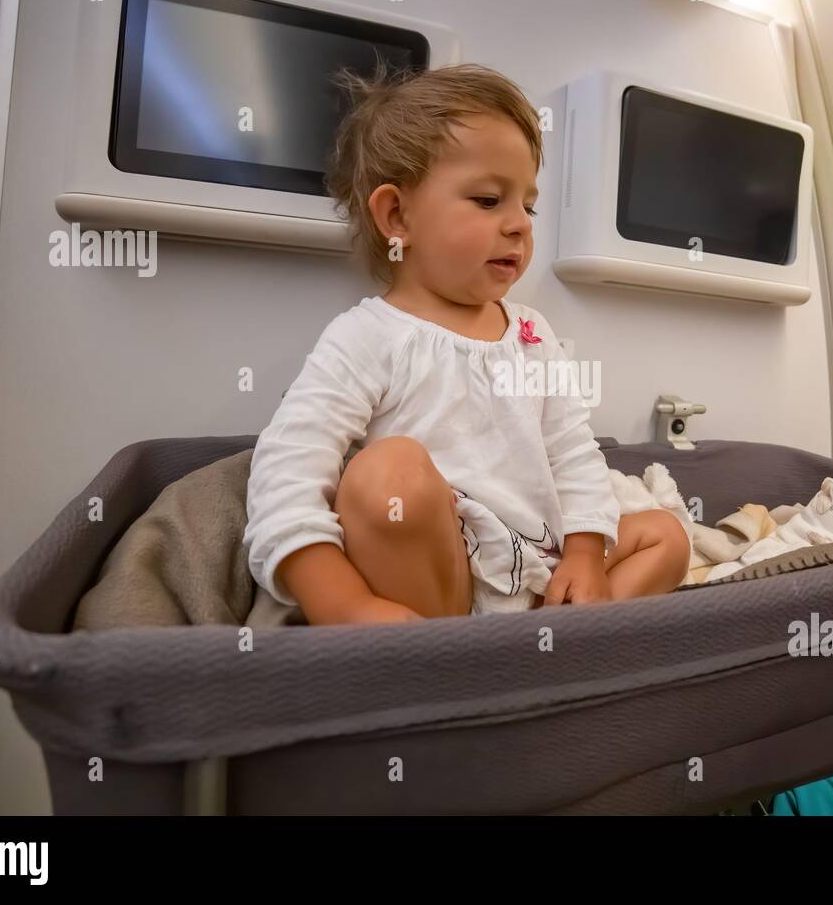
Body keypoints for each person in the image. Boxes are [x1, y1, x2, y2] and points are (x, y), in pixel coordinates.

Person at [242, 63, 689, 626]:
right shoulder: (367, 337)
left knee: (667, 536)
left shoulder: (533, 334)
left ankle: (555, 640)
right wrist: (344, 602)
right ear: (397, 215)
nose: (520, 225)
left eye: (527, 206)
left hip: (536, 569)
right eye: (487, 200)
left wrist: (583, 555)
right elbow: (286, 471)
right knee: (386, 475)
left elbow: (573, 452)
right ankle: (465, 653)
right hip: (441, 584)